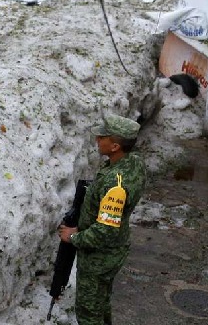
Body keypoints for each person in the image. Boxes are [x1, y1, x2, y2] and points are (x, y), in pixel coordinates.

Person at [58, 112, 147, 325]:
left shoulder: (115, 186)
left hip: (100, 258)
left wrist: (73, 237)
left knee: (89, 314)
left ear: (115, 146)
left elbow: (103, 231)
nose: (97, 140)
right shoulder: (133, 162)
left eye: (102, 137)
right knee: (101, 303)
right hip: (114, 250)